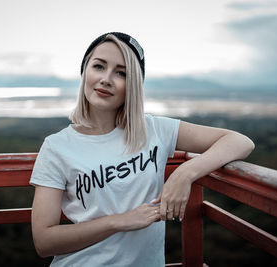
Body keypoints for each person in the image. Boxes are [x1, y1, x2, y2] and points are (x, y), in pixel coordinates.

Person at [30, 32, 255, 266]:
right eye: (99, 66)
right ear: (85, 71)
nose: (106, 79)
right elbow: (45, 242)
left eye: (121, 73)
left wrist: (184, 174)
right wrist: (118, 221)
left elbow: (240, 142)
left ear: (133, 84)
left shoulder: (155, 130)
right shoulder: (56, 147)